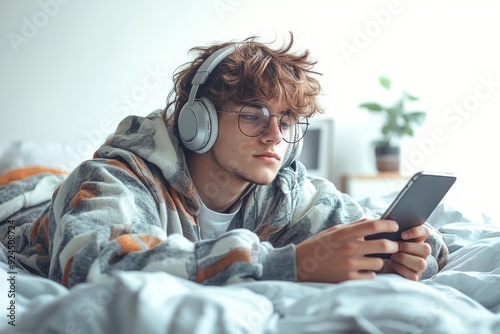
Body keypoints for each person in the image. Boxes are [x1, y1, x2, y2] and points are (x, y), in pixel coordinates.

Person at [1, 33, 447, 288]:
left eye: (287, 122)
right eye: (253, 115)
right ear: (199, 122)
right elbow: (89, 261)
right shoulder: (113, 179)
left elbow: (422, 248)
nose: (276, 135)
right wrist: (285, 264)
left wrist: (402, 254)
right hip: (30, 204)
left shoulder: (283, 193)